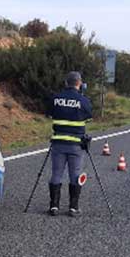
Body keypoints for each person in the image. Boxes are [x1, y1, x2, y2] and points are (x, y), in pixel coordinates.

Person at [47, 71, 93, 217]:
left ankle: (54, 206)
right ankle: (73, 207)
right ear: (79, 83)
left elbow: (49, 114)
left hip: (58, 143)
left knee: (56, 174)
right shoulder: (84, 101)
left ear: (65, 83)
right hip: (76, 145)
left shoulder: (55, 99)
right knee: (75, 174)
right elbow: (88, 118)